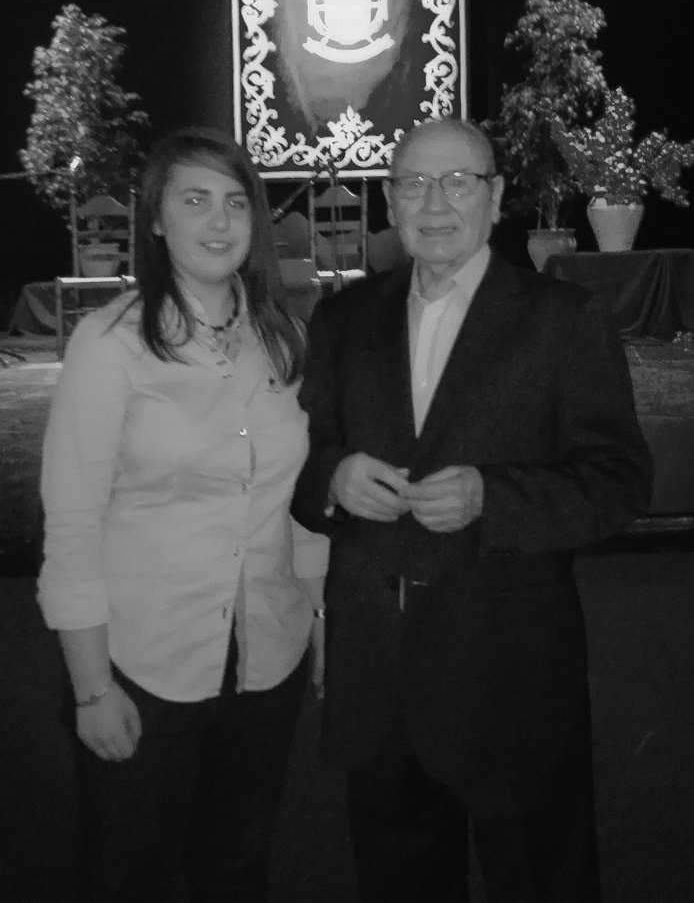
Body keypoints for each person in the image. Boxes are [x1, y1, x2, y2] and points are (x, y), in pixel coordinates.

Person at [291, 117, 653, 902]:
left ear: (494, 198)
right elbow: (305, 460)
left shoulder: (564, 317)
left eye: (458, 182)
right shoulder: (343, 320)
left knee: (541, 879)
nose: (435, 203)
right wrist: (333, 478)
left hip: (510, 676)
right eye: (415, 184)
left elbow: (619, 480)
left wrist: (492, 497)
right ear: (391, 200)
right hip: (380, 679)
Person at [37, 127, 329, 903]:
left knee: (237, 865)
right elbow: (71, 525)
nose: (220, 220)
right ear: (157, 220)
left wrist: (320, 622)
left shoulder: (285, 340)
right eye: (195, 200)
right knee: (127, 872)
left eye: (236, 201)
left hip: (266, 655)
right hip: (142, 664)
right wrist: (91, 687)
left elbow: (299, 504)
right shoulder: (111, 344)